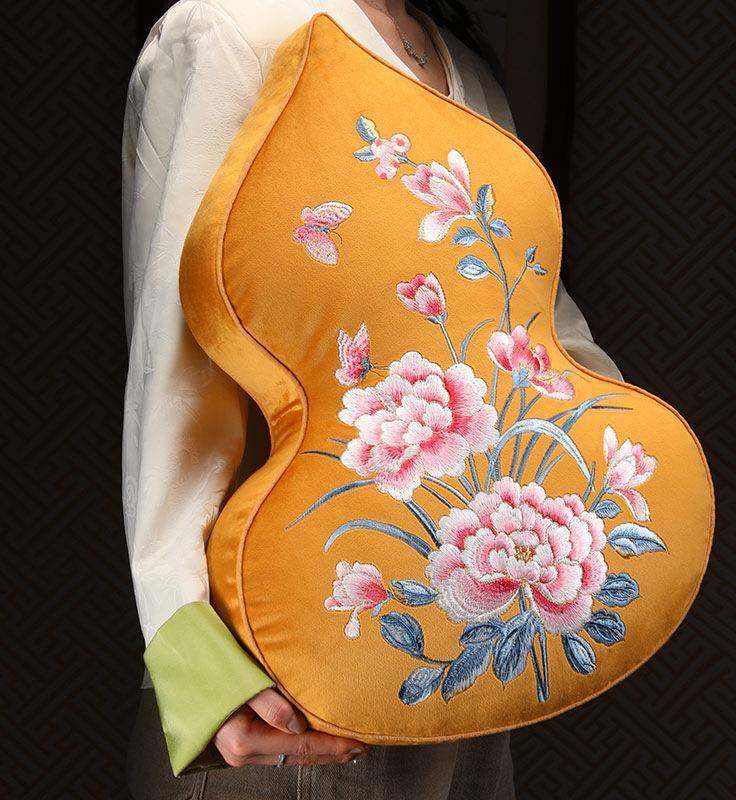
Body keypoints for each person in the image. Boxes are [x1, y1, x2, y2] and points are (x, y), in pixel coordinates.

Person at [121, 1, 624, 798]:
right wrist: (200, 670)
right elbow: (176, 364)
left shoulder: (467, 70)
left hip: (463, 657)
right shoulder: (230, 30)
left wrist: (637, 487)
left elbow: (540, 342)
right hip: (279, 680)